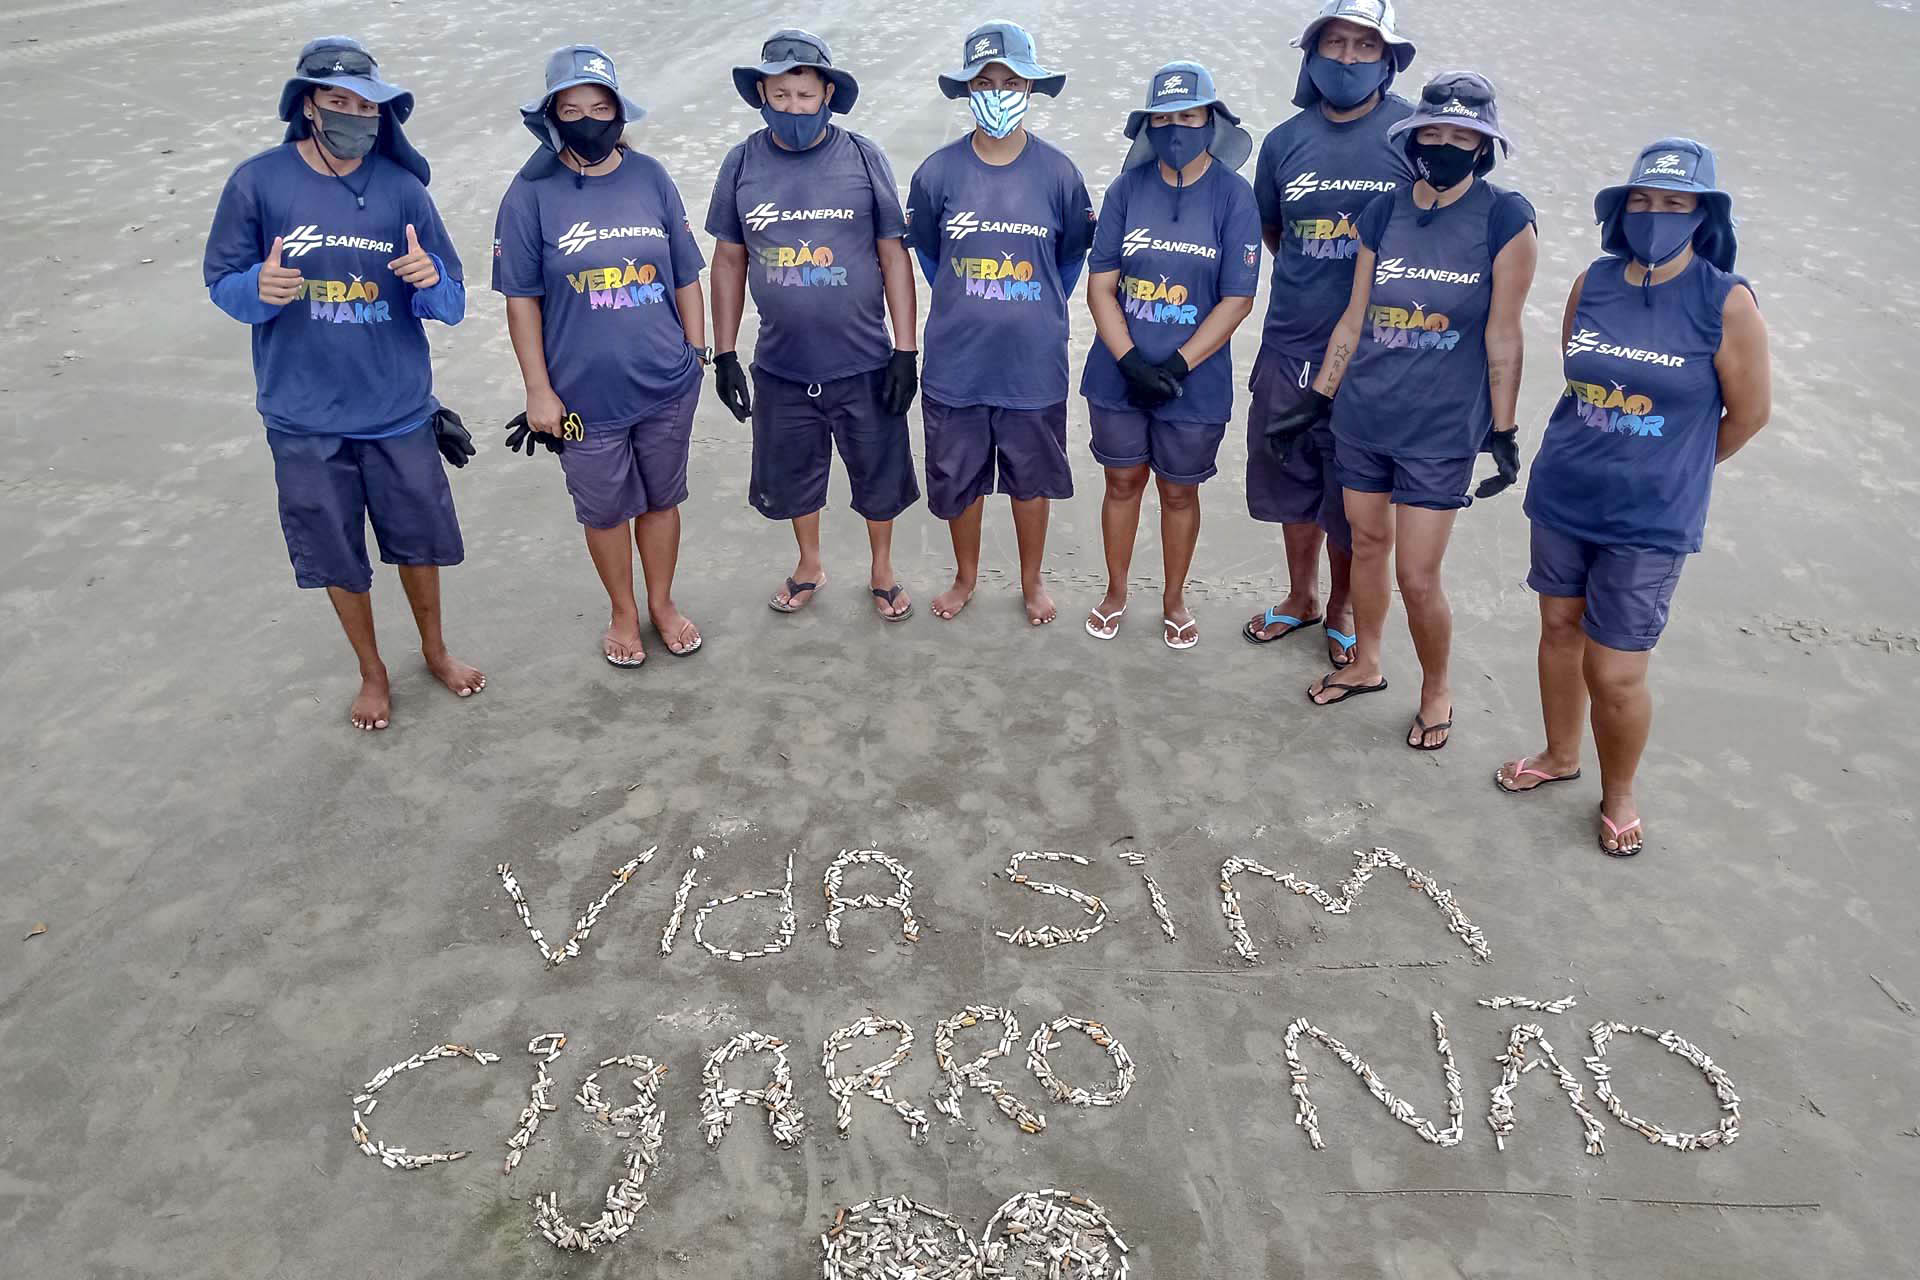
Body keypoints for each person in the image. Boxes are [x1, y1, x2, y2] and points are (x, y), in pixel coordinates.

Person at [1496, 139, 1770, 856]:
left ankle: (1619, 791)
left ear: (1702, 215)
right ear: (1622, 210)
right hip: (1566, 490)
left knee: (1615, 670)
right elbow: (1574, 374)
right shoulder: (1595, 281)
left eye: (1675, 204)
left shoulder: (1726, 300)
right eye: (1643, 202)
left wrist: (1676, 466)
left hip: (1650, 518)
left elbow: (1747, 414)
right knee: (1559, 628)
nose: (1655, 216)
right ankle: (1560, 754)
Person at [204, 36, 482, 732]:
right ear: (309, 106)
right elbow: (223, 283)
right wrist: (257, 289)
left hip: (396, 408)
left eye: (369, 106)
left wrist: (428, 284)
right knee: (336, 551)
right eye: (339, 103)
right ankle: (371, 669)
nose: (356, 116)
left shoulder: (402, 189)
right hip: (303, 415)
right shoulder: (257, 183)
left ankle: (435, 650)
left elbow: (452, 300)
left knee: (418, 541)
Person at [1272, 71, 1537, 748]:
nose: (1445, 146)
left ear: (1484, 147)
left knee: (1418, 575)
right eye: (1434, 134)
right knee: (1366, 544)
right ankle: (1365, 662)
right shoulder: (1383, 213)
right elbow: (1354, 321)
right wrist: (1316, 399)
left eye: (1462, 137)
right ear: (1414, 138)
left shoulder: (1506, 219)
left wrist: (1503, 431)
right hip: (1364, 416)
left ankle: (1436, 688)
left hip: (1441, 429)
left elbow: (1504, 332)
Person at [493, 46, 711, 667]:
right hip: (582, 394)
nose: (588, 119)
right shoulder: (529, 194)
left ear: (618, 111)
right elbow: (521, 299)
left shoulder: (650, 177)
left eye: (600, 106)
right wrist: (539, 390)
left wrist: (696, 353)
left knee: (662, 499)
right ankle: (623, 611)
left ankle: (662, 603)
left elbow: (686, 275)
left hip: (666, 381)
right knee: (606, 507)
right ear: (553, 117)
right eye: (572, 109)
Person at [707, 29, 922, 622]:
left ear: (826, 92)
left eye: (804, 95)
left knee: (879, 477)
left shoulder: (861, 155)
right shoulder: (743, 161)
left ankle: (882, 568)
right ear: (763, 97)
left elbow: (892, 253)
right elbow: (728, 259)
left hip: (864, 359)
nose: (793, 109)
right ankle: (809, 562)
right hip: (781, 364)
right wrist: (722, 354)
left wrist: (906, 349)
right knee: (795, 479)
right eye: (780, 96)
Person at [1243, 0, 1415, 667]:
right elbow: (1274, 230)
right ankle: (1300, 596)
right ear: (1311, 55)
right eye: (1334, 43)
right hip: (1292, 338)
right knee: (1291, 474)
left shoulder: (1410, 136)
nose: (1346, 58)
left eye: (1364, 46)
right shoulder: (1285, 141)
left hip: (1380, 353)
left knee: (1355, 489)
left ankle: (1343, 604)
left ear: (1388, 60)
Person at [906, 21, 1094, 626]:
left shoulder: (1060, 174)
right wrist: (974, 300)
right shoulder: (937, 173)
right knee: (958, 479)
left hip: (1033, 362)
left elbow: (1068, 259)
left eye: (1010, 80)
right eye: (985, 81)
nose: (998, 90)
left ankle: (1031, 580)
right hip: (956, 360)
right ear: (966, 90)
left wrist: (1029, 305)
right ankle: (965, 576)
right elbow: (931, 256)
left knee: (1030, 480)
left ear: (1031, 87)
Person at [1080, 61, 1261, 650]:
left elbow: (1238, 298)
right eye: (1164, 118)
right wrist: (1130, 359)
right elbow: (1101, 284)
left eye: (1189, 116)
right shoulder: (1126, 190)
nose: (1177, 129)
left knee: (1180, 491)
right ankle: (1114, 592)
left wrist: (1178, 364)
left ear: (1212, 121)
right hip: (1119, 370)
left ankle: (1175, 597)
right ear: (1148, 125)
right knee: (1122, 481)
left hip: (1196, 379)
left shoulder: (1234, 196)